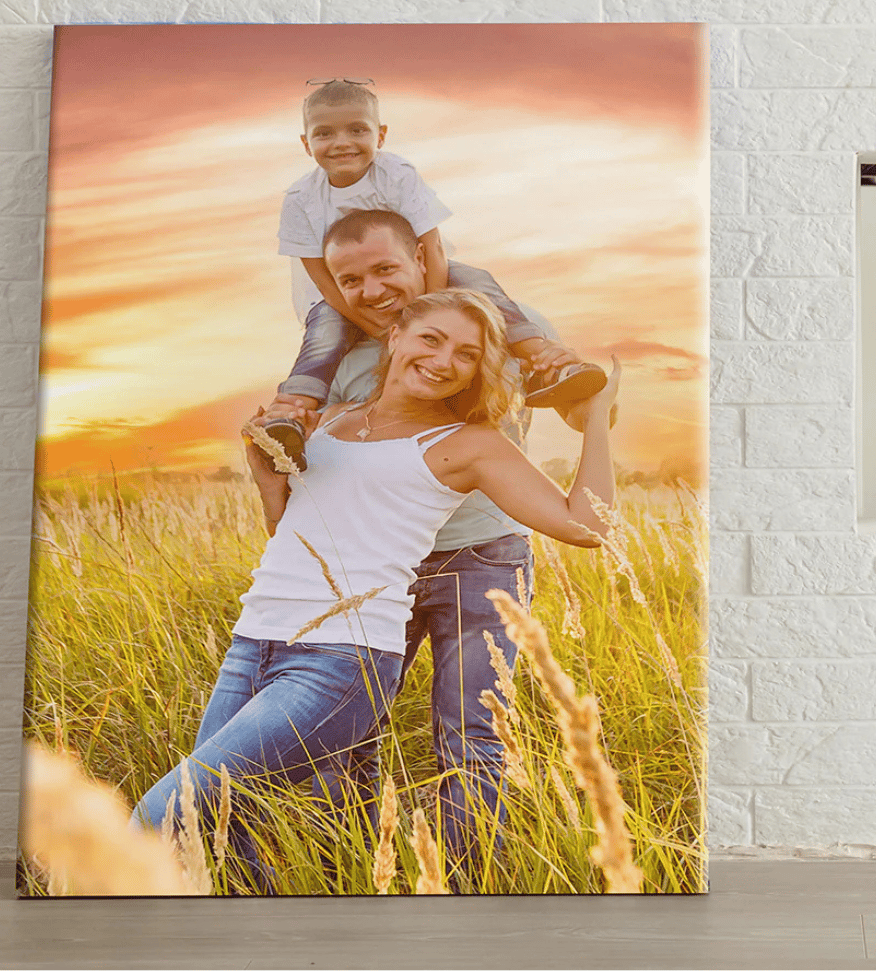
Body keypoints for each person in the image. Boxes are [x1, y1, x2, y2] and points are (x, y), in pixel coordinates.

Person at [131, 286, 620, 893]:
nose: (443, 361)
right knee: (224, 825)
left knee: (159, 813)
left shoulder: (468, 445)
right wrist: (264, 474)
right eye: (431, 339)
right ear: (395, 337)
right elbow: (292, 535)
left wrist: (596, 415)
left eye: (466, 355)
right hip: (252, 645)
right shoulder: (327, 421)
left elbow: (587, 526)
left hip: (341, 663)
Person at [295, 208, 606, 881]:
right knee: (345, 734)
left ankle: (464, 885)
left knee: (472, 734)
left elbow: (573, 404)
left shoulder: (501, 327)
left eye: (387, 269)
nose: (374, 290)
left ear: (422, 260)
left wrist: (598, 412)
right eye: (353, 279)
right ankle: (349, 871)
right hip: (380, 567)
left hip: (485, 557)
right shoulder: (341, 360)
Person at [267, 78, 606, 468]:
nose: (342, 142)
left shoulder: (395, 174)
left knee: (474, 280)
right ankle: (291, 411)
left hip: (436, 282)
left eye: (357, 130)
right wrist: (379, 330)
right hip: (333, 301)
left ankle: (543, 362)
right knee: (324, 334)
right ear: (306, 144)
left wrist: (430, 314)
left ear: (381, 135)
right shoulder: (300, 201)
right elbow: (322, 279)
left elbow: (435, 247)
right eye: (325, 133)